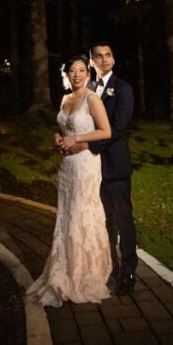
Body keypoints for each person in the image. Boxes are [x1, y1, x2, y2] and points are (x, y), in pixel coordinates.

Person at [26, 56, 113, 307]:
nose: (77, 74)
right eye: (72, 70)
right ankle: (63, 269)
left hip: (86, 164)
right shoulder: (65, 99)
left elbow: (106, 131)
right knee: (66, 216)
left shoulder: (92, 98)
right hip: (66, 167)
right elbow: (64, 130)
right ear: (67, 74)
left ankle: (87, 273)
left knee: (81, 213)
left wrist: (78, 139)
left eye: (81, 70)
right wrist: (59, 138)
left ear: (88, 74)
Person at [62, 41, 137, 295]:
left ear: (113, 59)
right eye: (98, 56)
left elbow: (116, 129)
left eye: (108, 55)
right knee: (101, 220)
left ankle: (128, 270)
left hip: (114, 167)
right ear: (91, 61)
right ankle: (106, 265)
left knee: (122, 218)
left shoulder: (123, 89)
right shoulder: (89, 88)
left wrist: (85, 147)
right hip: (90, 172)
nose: (104, 60)